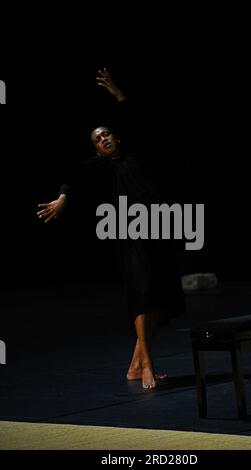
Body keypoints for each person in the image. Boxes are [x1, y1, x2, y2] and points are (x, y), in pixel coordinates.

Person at [37, 69, 186, 390]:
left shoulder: (138, 153)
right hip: (129, 233)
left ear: (117, 137)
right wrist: (63, 199)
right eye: (97, 139)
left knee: (163, 301)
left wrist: (119, 94)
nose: (103, 139)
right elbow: (71, 176)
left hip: (159, 228)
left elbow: (139, 119)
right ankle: (146, 364)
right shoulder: (101, 166)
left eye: (106, 134)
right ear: (97, 149)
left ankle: (134, 366)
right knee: (143, 296)